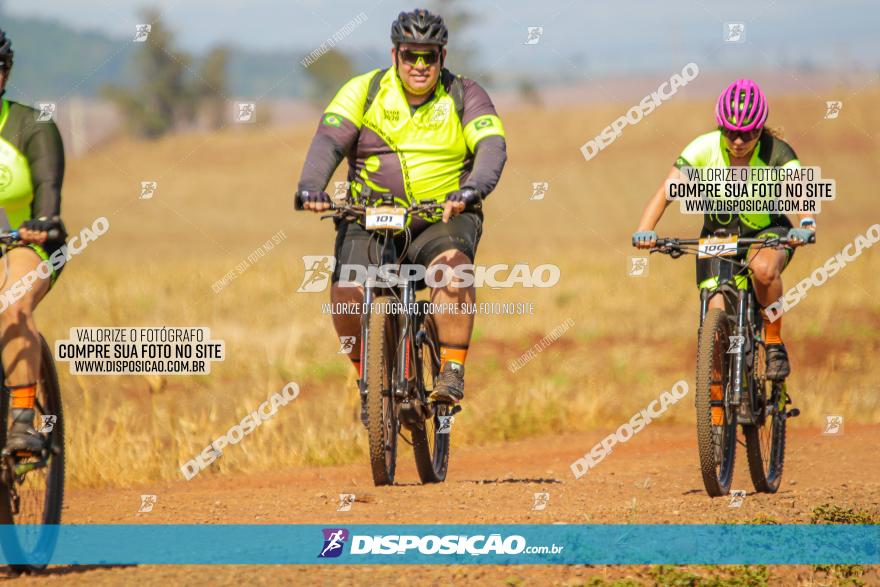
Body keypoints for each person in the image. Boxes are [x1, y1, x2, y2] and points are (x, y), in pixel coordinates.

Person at [295, 9, 506, 417]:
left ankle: (451, 370)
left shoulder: (465, 94)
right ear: (395, 55)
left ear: (443, 56)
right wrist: (311, 187)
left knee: (453, 269)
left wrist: (472, 189)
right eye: (412, 55)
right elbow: (329, 141)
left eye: (430, 56)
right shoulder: (364, 90)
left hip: (441, 214)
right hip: (369, 214)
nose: (421, 66)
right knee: (345, 293)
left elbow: (491, 146)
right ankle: (366, 381)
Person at [632, 79, 815, 381]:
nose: (738, 141)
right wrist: (645, 230)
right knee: (714, 325)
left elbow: (799, 191)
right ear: (721, 128)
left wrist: (806, 223)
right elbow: (667, 191)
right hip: (719, 238)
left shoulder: (777, 153)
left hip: (767, 233)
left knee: (764, 270)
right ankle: (714, 418)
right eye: (730, 132)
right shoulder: (702, 148)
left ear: (760, 129)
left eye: (747, 133)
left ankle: (772, 342)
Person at [0, 29, 68, 452]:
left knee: (11, 305)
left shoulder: (31, 125)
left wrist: (42, 221)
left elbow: (48, 186)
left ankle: (25, 421)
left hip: (30, 242)